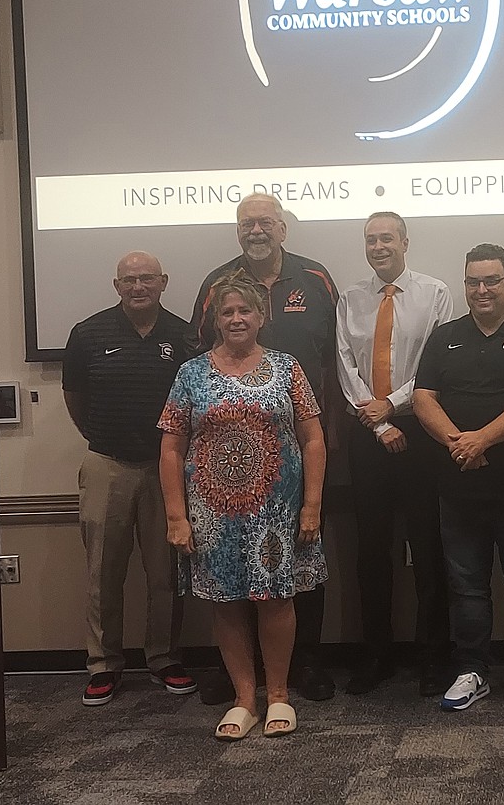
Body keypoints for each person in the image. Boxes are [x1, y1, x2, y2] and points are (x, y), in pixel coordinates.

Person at [159, 271, 328, 739]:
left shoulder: (286, 367)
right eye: (227, 312)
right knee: (226, 603)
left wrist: (312, 504)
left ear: (262, 317)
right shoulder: (191, 373)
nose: (236, 319)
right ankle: (244, 700)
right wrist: (177, 516)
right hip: (212, 514)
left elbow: (313, 438)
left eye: (244, 311)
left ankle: (278, 697)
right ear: (215, 318)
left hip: (278, 513)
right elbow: (171, 448)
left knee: (277, 599)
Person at [189, 192, 339, 704]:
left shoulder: (316, 279)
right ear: (237, 231)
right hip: (226, 466)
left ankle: (307, 662)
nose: (256, 231)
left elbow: (341, 356)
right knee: (231, 567)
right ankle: (243, 676)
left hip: (302, 450)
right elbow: (199, 362)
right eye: (247, 223)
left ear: (282, 228)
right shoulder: (216, 284)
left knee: (301, 554)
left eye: (265, 222)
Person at [414, 243, 504, 715]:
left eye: (491, 280)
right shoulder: (445, 336)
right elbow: (422, 399)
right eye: (473, 281)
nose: (482, 289)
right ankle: (471, 671)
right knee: (466, 584)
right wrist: (460, 441)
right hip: (458, 486)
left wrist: (483, 441)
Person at [62, 251, 197, 706]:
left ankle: (164, 657)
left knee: (165, 572)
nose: (138, 286)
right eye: (129, 280)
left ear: (163, 282)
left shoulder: (184, 335)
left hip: (167, 468)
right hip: (107, 464)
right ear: (116, 286)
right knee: (104, 572)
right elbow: (75, 400)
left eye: (147, 279)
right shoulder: (87, 333)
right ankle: (103, 664)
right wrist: (104, 436)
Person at [336, 212, 454, 696]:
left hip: (423, 430)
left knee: (428, 549)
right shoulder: (351, 298)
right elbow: (344, 363)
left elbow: (438, 360)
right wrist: (379, 421)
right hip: (369, 436)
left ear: (405, 241)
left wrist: (394, 406)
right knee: (372, 551)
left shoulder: (436, 293)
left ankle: (433, 656)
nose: (378, 246)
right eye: (370, 239)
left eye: (387, 238)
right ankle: (376, 654)